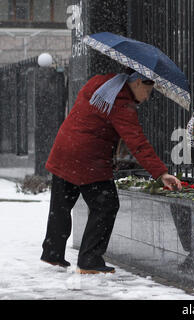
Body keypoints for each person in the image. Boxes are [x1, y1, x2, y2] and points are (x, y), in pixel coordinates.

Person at [40, 68, 182, 274]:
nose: (147, 97)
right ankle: (90, 261)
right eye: (148, 92)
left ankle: (52, 252)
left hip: (64, 148)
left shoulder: (100, 83)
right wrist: (161, 173)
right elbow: (138, 143)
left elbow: (95, 120)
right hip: (87, 158)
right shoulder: (121, 103)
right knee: (106, 205)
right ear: (138, 83)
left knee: (61, 204)